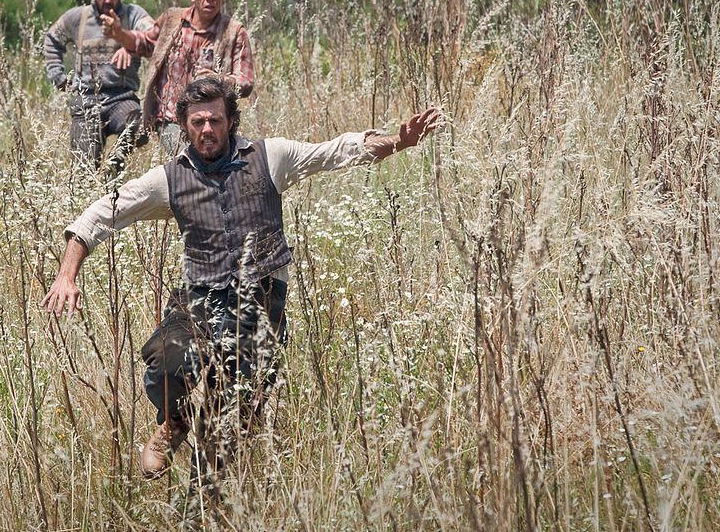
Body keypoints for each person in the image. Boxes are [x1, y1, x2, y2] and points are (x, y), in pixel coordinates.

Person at [42, 76, 441, 490]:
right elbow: (99, 216)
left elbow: (336, 151)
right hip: (199, 296)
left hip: (259, 303)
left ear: (231, 121)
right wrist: (67, 274)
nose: (207, 129)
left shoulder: (271, 157)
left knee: (228, 424)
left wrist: (399, 141)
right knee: (165, 361)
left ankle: (203, 508)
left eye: (215, 120)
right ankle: (175, 421)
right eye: (197, 122)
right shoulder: (168, 179)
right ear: (184, 126)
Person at [44, 0, 154, 174]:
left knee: (141, 128)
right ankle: (93, 184)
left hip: (122, 96)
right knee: (83, 170)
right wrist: (58, 76)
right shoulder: (78, 17)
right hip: (86, 98)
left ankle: (114, 167)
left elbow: (154, 37)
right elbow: (51, 39)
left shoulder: (133, 15)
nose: (108, 0)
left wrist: (130, 46)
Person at [135, 0, 255, 155]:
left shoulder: (234, 32)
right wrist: (120, 36)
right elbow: (145, 44)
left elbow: (246, 83)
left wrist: (220, 80)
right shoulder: (172, 20)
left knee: (236, 160)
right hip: (170, 119)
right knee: (191, 159)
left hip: (210, 121)